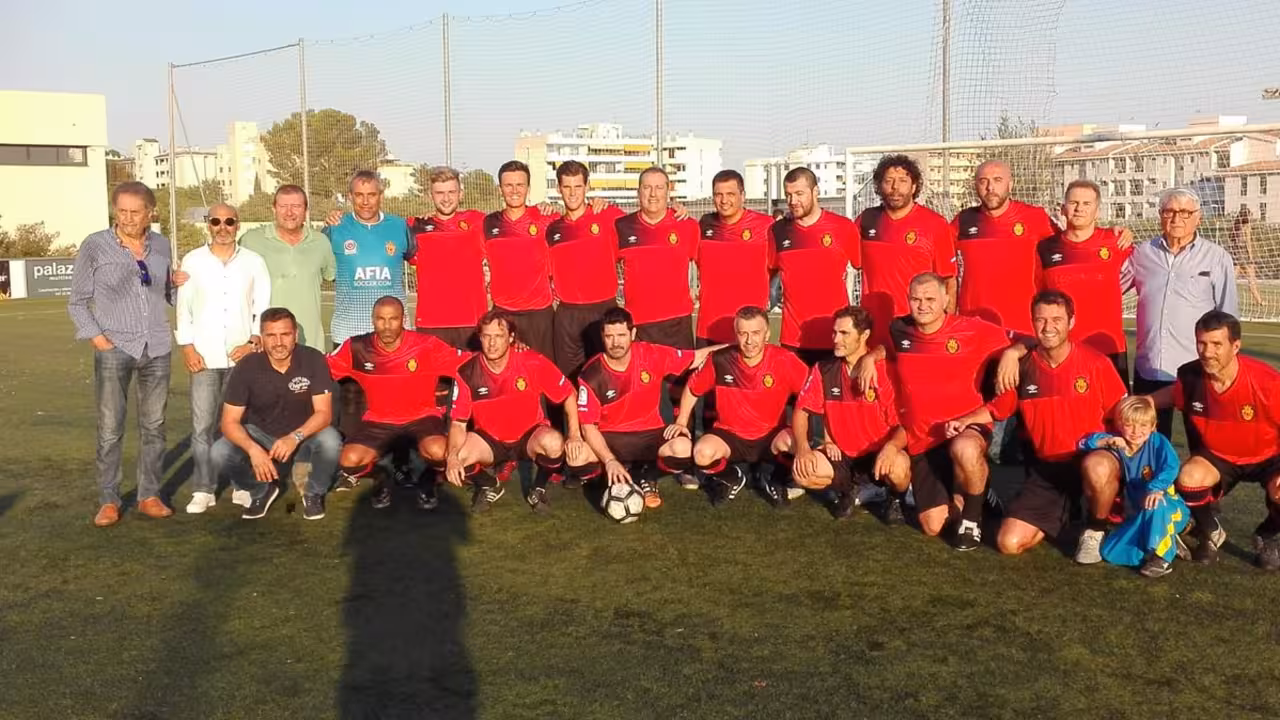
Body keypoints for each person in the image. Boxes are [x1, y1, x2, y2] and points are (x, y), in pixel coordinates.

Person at [946, 290, 1128, 559]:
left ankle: (1095, 528)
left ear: (1071, 322)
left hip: (1091, 456)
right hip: (1049, 470)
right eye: (1041, 320)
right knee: (1009, 543)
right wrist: (964, 421)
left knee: (1098, 467)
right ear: (1032, 322)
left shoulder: (1096, 363)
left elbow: (1125, 416)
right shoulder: (1022, 366)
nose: (1048, 327)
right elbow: (998, 410)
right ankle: (1066, 510)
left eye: (1057, 319)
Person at [878, 272, 1014, 550]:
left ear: (946, 300)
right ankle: (980, 491)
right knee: (933, 526)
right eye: (916, 299)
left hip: (965, 428)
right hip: (923, 439)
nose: (922, 305)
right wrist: (872, 355)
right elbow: (886, 348)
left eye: (930, 299)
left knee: (965, 449)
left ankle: (972, 520)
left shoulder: (974, 329)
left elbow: (1028, 339)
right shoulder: (899, 329)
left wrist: (1013, 353)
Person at [68, 181, 176, 527]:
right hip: (114, 348)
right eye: (122, 211)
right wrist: (98, 339)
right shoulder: (95, 245)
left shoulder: (162, 245)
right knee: (110, 428)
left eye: (135, 212)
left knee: (154, 427)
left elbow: (165, 293)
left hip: (156, 347)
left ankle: (149, 495)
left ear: (150, 213)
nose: (127, 218)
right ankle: (109, 501)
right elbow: (77, 301)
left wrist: (179, 284)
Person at [1148, 311, 1280, 568]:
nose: (1207, 352)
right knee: (1189, 477)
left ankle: (1267, 535)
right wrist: (1144, 401)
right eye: (1202, 343)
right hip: (1218, 456)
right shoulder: (1191, 377)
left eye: (1217, 344)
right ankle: (1210, 531)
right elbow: (1173, 395)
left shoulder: (1267, 382)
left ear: (1235, 346)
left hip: (1267, 455)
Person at [570, 307, 720, 508]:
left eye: (621, 335)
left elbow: (696, 357)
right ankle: (608, 476)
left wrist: (737, 346)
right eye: (610, 336)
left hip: (649, 433)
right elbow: (588, 427)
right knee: (576, 457)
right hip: (610, 437)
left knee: (683, 448)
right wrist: (609, 460)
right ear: (602, 337)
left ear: (632, 334)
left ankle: (647, 477)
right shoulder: (591, 374)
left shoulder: (650, 354)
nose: (616, 343)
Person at [175, 202, 272, 514]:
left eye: (229, 221)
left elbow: (262, 305)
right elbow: (184, 309)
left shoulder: (254, 261)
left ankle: (242, 485)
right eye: (216, 221)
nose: (222, 227)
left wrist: (254, 340)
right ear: (208, 225)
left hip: (242, 358)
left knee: (240, 425)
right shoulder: (193, 261)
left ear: (237, 225)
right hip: (204, 357)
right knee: (202, 426)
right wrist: (187, 347)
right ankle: (203, 489)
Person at [327, 297, 463, 511]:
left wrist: (511, 353)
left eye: (393, 319)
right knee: (349, 460)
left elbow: (469, 363)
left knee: (440, 452)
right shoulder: (356, 347)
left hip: (422, 417)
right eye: (381, 319)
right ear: (372, 320)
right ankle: (381, 476)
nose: (387, 326)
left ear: (403, 319)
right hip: (378, 419)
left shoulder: (427, 345)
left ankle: (428, 479)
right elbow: (321, 367)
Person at [1128, 188, 1238, 438]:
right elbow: (1108, 286)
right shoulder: (1142, 253)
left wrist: (1226, 364)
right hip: (1150, 365)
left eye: (1185, 212)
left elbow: (1228, 315)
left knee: (1204, 442)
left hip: (1198, 367)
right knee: (1149, 442)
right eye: (1169, 211)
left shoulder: (1216, 257)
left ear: (1198, 217)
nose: (1177, 218)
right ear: (1160, 215)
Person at [669, 306, 806, 507]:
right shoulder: (720, 359)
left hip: (771, 435)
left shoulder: (784, 360)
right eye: (743, 334)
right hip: (729, 435)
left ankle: (774, 477)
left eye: (756, 333)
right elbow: (692, 388)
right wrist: (681, 421)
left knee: (799, 444)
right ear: (736, 334)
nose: (749, 341)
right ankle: (733, 476)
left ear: (767, 334)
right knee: (701, 454)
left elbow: (811, 395)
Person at [212, 308, 341, 520]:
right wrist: (253, 449)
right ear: (261, 338)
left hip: (304, 435)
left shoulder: (313, 359)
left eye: (285, 334)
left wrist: (294, 437)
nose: (278, 342)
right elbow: (229, 422)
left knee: (330, 440)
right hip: (262, 435)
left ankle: (313, 492)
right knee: (220, 452)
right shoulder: (247, 366)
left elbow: (324, 413)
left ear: (295, 335)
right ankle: (262, 490)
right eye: (271, 335)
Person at [444, 311, 579, 513]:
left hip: (529, 436)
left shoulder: (532, 361)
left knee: (554, 443)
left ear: (511, 337)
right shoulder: (467, 371)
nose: (492, 343)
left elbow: (568, 394)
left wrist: (574, 434)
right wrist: (453, 456)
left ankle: (538, 488)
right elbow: (458, 423)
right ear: (480, 338)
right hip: (489, 440)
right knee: (456, 457)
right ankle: (489, 484)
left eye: (499, 336)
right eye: (486, 336)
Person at [792, 307, 909, 520]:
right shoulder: (824, 369)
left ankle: (894, 498)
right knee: (802, 473)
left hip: (877, 452)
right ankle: (848, 490)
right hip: (842, 454)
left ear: (864, 335)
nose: (836, 339)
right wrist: (803, 448)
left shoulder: (884, 371)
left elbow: (905, 425)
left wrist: (891, 447)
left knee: (900, 467)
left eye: (844, 333)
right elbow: (801, 411)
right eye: (834, 332)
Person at [615, 166, 701, 433]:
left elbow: (709, 264)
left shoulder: (687, 226)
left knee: (680, 393)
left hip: (677, 324)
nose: (653, 194)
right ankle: (647, 446)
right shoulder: (621, 226)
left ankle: (684, 445)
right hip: (639, 327)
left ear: (669, 191)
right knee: (644, 395)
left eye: (659, 188)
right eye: (647, 188)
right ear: (638, 192)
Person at [1036, 180, 1133, 388]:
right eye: (1073, 203)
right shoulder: (1045, 248)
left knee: (1115, 408)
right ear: (1063, 209)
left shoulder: (1116, 242)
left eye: (1086, 204)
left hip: (1108, 347)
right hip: (1062, 349)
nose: (1079, 208)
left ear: (1097, 211)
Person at [854, 154, 955, 349]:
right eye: (888, 181)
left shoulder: (935, 224)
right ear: (879, 186)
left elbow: (949, 281)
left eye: (902, 181)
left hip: (918, 325)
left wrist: (947, 326)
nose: (895, 187)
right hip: (873, 325)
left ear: (914, 186)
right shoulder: (866, 220)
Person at [1081, 397, 1188, 578]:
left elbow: (1172, 466)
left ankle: (1162, 558)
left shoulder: (1158, 442)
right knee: (1110, 552)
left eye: (1143, 425)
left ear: (1153, 426)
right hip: (1139, 512)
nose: (1136, 431)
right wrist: (1106, 441)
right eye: (1129, 425)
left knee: (1156, 504)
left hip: (1170, 507)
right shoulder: (1118, 444)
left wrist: (1156, 488)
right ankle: (1166, 538)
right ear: (1120, 425)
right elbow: (1083, 443)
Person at [950, 160, 1058, 335]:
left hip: (1024, 326)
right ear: (976, 186)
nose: (990, 187)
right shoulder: (963, 220)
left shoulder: (1035, 217)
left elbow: (1068, 246)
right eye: (983, 181)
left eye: (997, 180)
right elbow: (938, 257)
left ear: (1010, 184)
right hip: (974, 325)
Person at [772, 167, 860, 366]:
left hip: (836, 336)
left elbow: (862, 265)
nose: (793, 201)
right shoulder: (777, 231)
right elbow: (767, 271)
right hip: (793, 339)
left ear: (816, 191)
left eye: (799, 194)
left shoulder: (844, 227)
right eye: (788, 195)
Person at [547, 160, 625, 379]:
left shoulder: (608, 216)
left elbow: (646, 218)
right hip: (567, 314)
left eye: (578, 186)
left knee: (607, 378)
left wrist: (676, 209)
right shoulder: (552, 228)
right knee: (570, 379)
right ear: (558, 189)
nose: (572, 193)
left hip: (603, 310)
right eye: (567, 187)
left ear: (587, 186)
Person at [238, 185, 336, 351]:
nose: (289, 212)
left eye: (296, 206)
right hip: (267, 342)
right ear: (274, 209)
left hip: (310, 342)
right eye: (283, 206)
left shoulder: (321, 242)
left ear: (306, 210)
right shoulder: (250, 241)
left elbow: (334, 275)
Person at [481, 160, 559, 360]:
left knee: (543, 371)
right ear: (500, 189)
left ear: (528, 188)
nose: (514, 190)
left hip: (539, 315)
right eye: (508, 185)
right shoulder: (488, 223)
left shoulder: (546, 218)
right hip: (503, 314)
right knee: (505, 373)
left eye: (520, 185)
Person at [406, 166, 489, 351]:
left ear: (461, 194)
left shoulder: (478, 222)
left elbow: (514, 219)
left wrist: (542, 208)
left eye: (451, 192)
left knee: (472, 371)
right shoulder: (414, 226)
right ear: (430, 196)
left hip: (472, 323)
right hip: (431, 323)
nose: (446, 198)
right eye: (440, 193)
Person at [695, 170, 776, 347]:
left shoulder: (767, 226)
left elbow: (779, 264)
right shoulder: (704, 225)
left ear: (743, 196)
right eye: (718, 194)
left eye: (730, 194)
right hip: (708, 330)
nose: (724, 200)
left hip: (749, 332)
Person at [1227, 206, 1264, 306]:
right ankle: (1259, 301)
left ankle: (1225, 297)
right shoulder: (1246, 226)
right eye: (1250, 216)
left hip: (1235, 253)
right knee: (1251, 277)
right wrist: (1251, 257)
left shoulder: (1235, 226)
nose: (1251, 218)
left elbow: (1231, 239)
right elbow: (1248, 242)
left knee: (1233, 278)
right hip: (1243, 254)